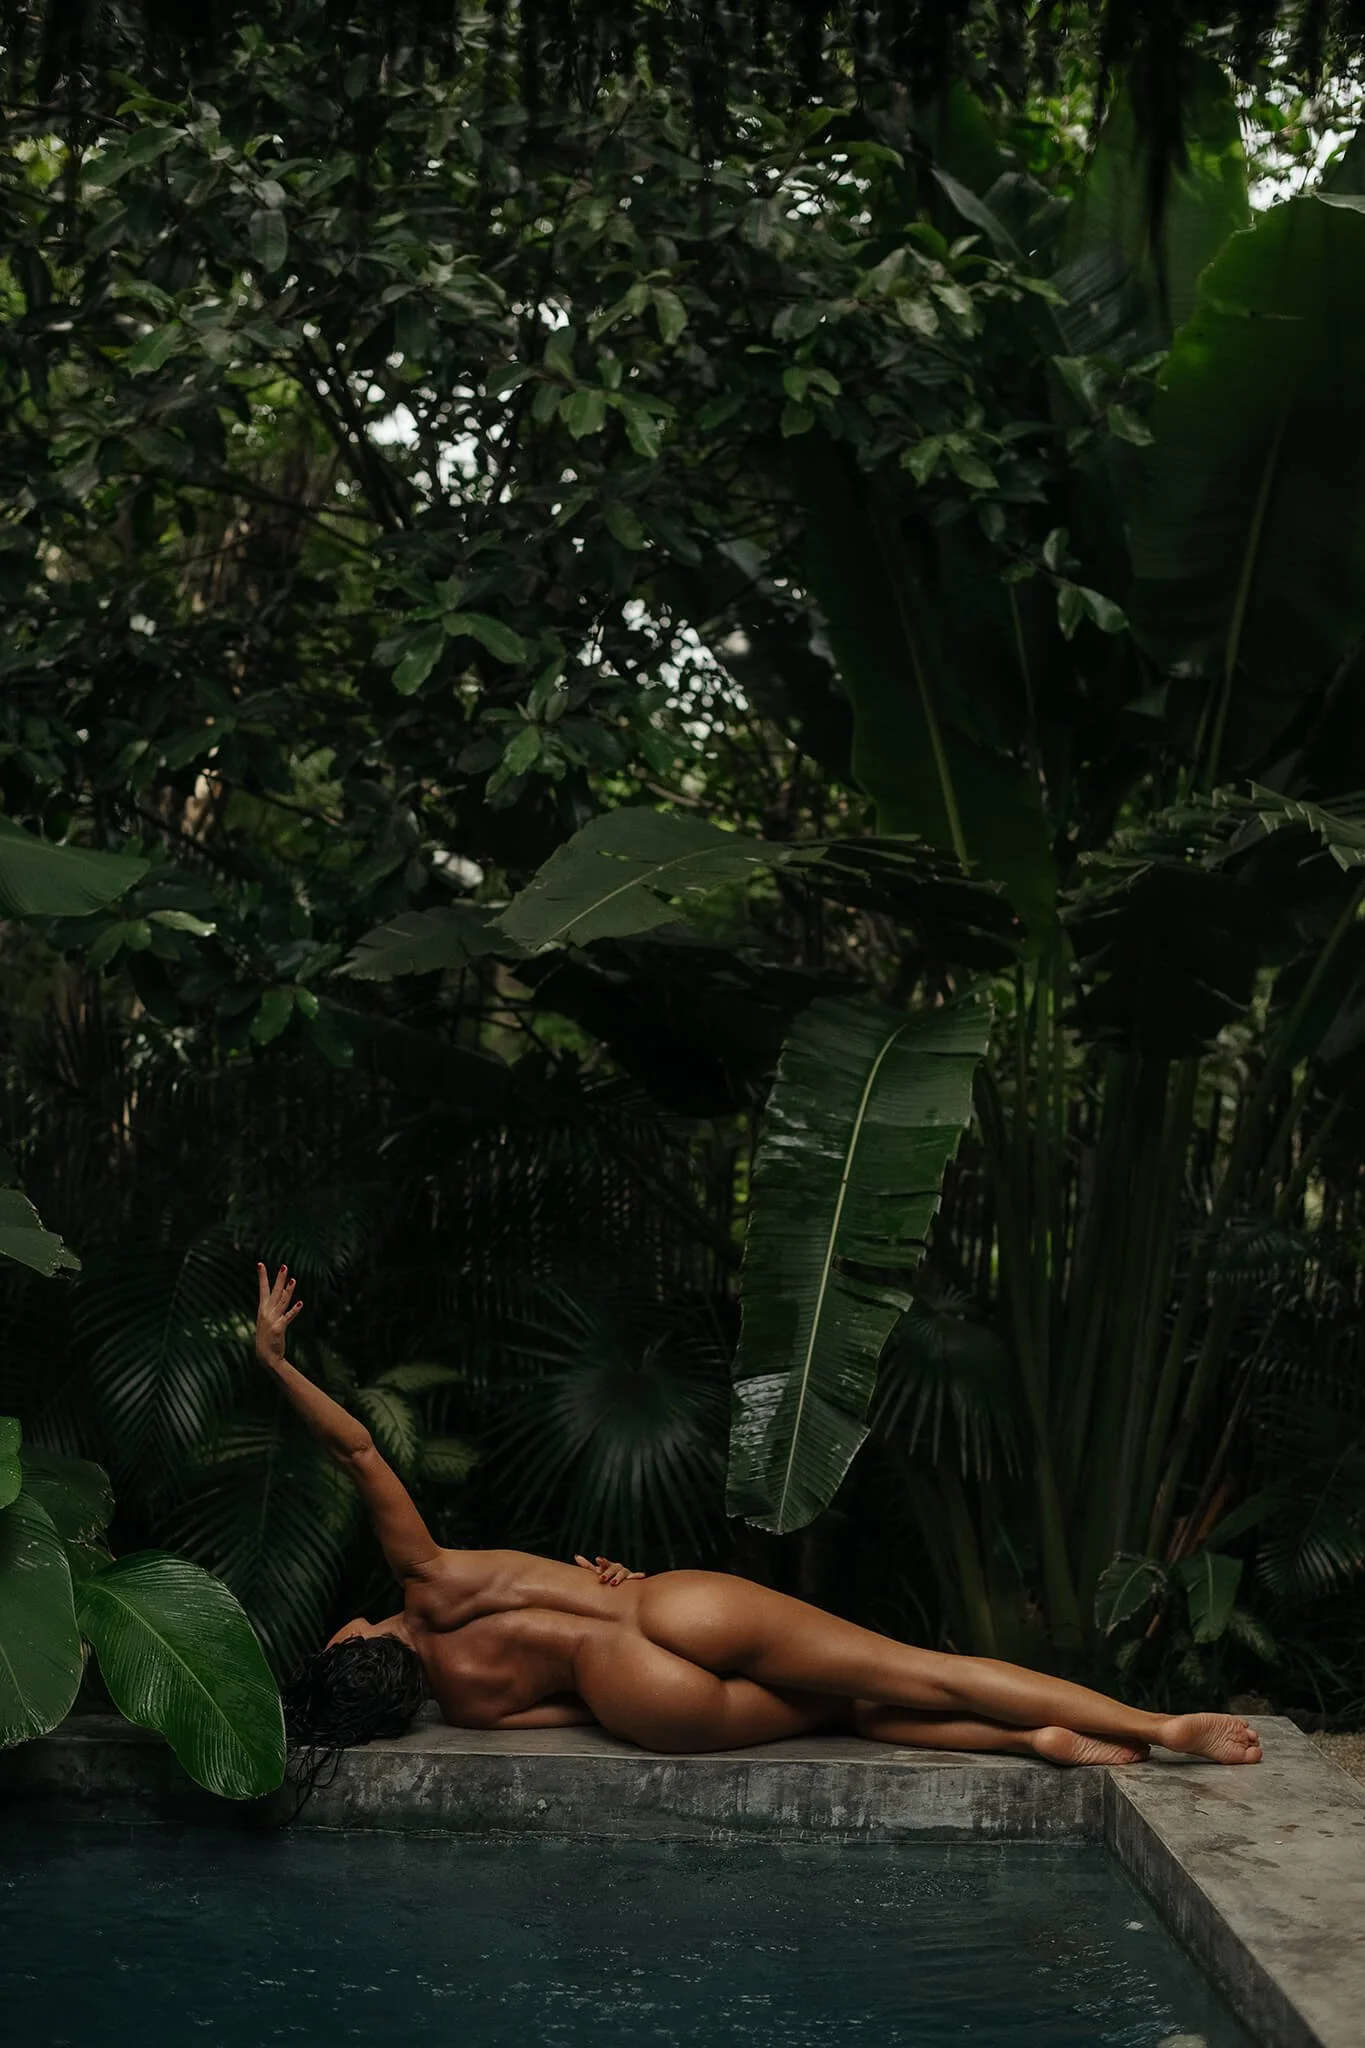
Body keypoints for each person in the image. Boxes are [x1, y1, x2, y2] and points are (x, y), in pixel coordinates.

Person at [257, 1264, 1262, 1771]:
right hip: (673, 1608)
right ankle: (1155, 1723)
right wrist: (277, 1359)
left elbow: (580, 1711)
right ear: (351, 1635)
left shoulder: (467, 1703)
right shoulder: (428, 1577)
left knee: (850, 1710)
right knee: (914, 1668)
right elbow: (358, 1447)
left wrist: (604, 1662)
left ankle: (1032, 1741)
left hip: (640, 1696)